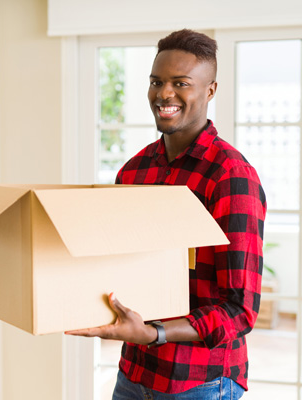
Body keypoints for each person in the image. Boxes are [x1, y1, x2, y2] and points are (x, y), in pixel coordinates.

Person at [66, 29, 266, 400]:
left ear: (210, 90)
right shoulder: (134, 170)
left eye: (181, 83)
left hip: (200, 382)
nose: (164, 94)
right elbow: (122, 265)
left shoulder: (229, 175)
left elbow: (240, 310)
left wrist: (156, 332)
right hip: (134, 373)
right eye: (156, 82)